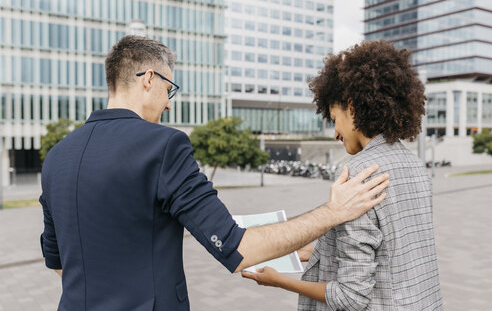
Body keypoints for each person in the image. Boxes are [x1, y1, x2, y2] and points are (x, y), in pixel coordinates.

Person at [39, 35, 389, 311]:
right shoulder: (163, 145)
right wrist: (333, 212)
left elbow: (58, 264)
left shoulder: (56, 157)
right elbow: (238, 250)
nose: (169, 103)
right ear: (148, 79)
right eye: (168, 89)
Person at [243, 40, 443, 310]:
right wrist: (309, 252)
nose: (335, 133)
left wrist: (280, 281)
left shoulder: (360, 173)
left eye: (334, 118)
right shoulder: (416, 166)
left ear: (351, 107)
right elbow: (385, 253)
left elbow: (351, 296)